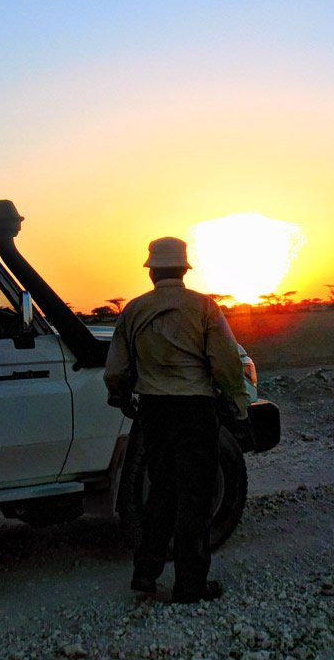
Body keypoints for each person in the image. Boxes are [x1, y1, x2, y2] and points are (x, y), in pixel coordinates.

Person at [104, 236, 251, 603]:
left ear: (151, 271)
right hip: (195, 412)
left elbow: (116, 369)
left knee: (160, 496)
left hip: (153, 412)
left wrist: (122, 398)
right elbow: (226, 365)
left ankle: (146, 573)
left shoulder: (134, 310)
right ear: (184, 270)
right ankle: (190, 585)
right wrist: (238, 406)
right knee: (196, 500)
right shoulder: (204, 308)